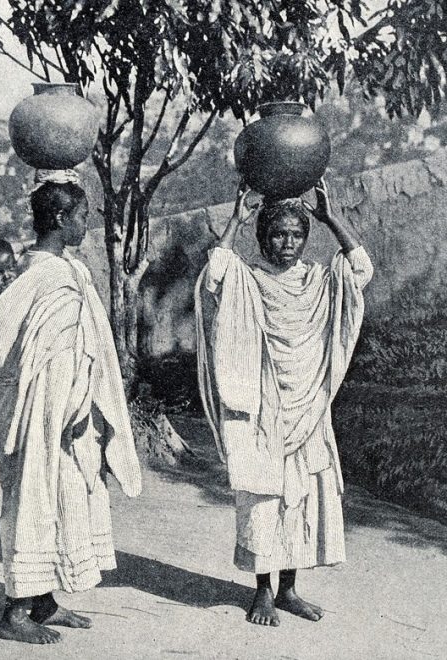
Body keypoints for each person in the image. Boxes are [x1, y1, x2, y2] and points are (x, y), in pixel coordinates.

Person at [195, 179, 373, 627]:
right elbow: (214, 274)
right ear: (262, 237)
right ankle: (262, 592)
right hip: (264, 408)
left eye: (296, 234)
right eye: (278, 234)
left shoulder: (318, 280)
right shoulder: (247, 280)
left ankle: (289, 589)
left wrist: (330, 218)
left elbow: (361, 270)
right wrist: (236, 218)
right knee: (261, 499)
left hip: (309, 407)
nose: (288, 243)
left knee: (303, 498)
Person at [0, 171, 142, 645]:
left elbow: (85, 345)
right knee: (35, 498)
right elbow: (6, 350)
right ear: (61, 217)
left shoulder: (68, 270)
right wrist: (64, 410)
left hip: (70, 413)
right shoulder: (36, 273)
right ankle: (15, 613)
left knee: (66, 496)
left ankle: (43, 602)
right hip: (41, 415)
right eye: (83, 215)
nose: (87, 223)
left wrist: (81, 406)